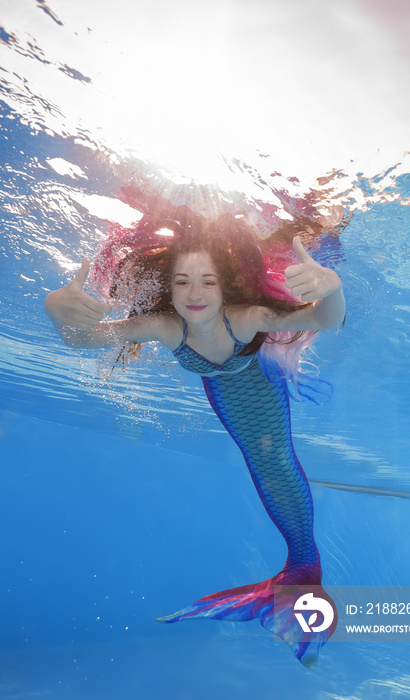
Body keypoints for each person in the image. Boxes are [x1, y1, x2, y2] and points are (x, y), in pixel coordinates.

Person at [44, 212, 346, 668]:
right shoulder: (168, 327)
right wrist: (56, 310)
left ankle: (304, 570)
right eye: (183, 282)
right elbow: (82, 341)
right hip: (225, 389)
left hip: (256, 384)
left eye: (207, 280)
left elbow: (327, 319)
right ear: (170, 287)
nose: (195, 293)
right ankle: (299, 574)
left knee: (274, 460)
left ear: (225, 286)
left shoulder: (247, 318)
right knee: (257, 460)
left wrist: (332, 287)